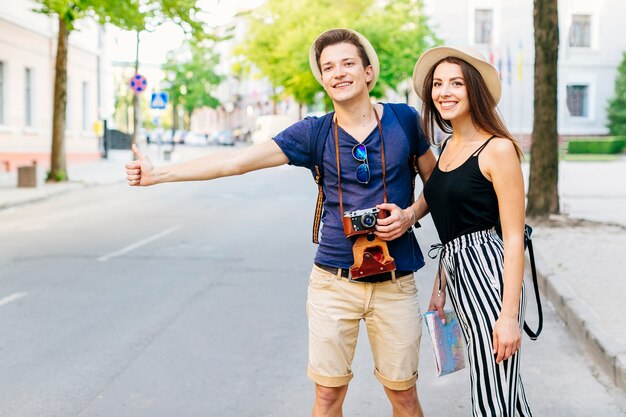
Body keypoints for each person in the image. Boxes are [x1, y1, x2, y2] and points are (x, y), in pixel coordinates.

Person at [126, 28, 436, 417]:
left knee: (404, 397)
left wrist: (410, 215)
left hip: (395, 283)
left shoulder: (404, 120)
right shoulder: (313, 132)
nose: (338, 73)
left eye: (347, 63)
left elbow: (437, 185)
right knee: (327, 397)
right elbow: (233, 162)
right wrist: (160, 175)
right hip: (333, 284)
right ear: (322, 79)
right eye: (328, 68)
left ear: (368, 71)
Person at [413, 46, 533, 417]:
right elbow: (453, 223)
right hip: (459, 274)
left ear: (474, 91)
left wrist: (509, 316)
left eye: (456, 83)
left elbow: (512, 237)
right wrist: (440, 285)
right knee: (505, 396)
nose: (444, 92)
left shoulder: (497, 149)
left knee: (491, 398)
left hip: (490, 276)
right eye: (437, 84)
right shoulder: (448, 146)